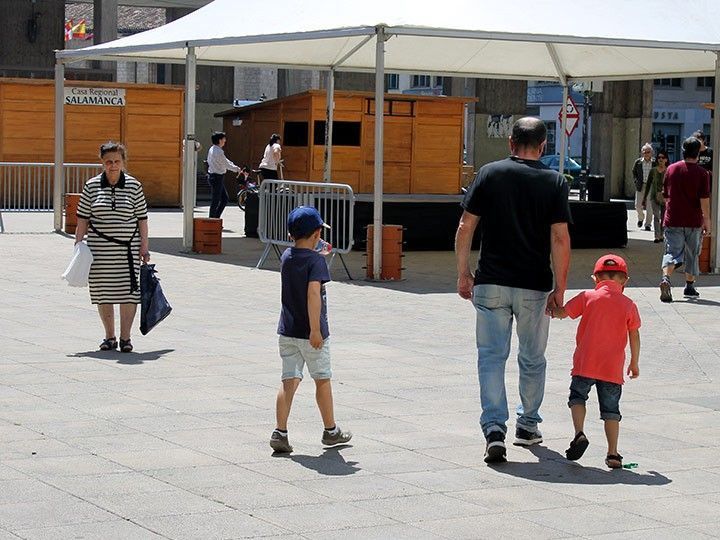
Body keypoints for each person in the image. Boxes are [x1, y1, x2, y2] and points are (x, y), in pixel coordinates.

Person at [455, 117, 572, 464]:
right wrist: (560, 289)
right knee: (532, 358)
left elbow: (465, 225)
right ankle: (527, 424)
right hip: (534, 285)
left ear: (510, 142)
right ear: (544, 146)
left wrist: (463, 272)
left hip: (490, 280)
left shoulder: (490, 173)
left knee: (491, 357)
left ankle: (494, 429)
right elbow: (560, 238)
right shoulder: (554, 181)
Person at [270, 206, 352, 453]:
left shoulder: (286, 257)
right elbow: (313, 293)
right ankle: (331, 430)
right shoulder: (316, 262)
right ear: (318, 233)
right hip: (312, 334)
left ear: (290, 234)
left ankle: (280, 431)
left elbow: (299, 255)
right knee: (322, 379)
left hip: (288, 331)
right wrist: (315, 330)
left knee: (289, 381)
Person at [549, 254, 640, 469]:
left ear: (595, 279)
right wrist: (634, 362)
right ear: (624, 281)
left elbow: (564, 313)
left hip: (585, 363)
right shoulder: (628, 304)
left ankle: (579, 433)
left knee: (578, 397)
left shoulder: (587, 296)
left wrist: (551, 311)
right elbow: (634, 335)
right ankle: (613, 454)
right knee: (611, 411)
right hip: (612, 368)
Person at [75, 142, 149, 353]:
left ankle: (126, 338)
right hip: (99, 251)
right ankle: (110, 336)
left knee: (129, 293)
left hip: (128, 250)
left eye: (117, 161)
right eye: (109, 162)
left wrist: (144, 247)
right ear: (102, 162)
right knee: (103, 293)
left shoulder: (134, 186)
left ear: (123, 162)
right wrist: (78, 245)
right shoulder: (91, 186)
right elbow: (82, 219)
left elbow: (142, 219)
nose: (113, 165)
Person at [659, 136, 711, 302]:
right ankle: (689, 286)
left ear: (683, 151)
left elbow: (666, 196)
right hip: (693, 221)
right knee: (692, 253)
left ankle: (666, 278)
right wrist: (707, 221)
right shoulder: (703, 173)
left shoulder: (671, 169)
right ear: (698, 153)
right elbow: (704, 200)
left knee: (671, 252)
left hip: (673, 218)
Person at [207, 131, 240, 219]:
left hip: (216, 176)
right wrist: (236, 169)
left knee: (224, 199)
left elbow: (226, 161)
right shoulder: (218, 151)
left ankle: (215, 218)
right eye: (224, 138)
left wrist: (235, 167)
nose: (225, 140)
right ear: (220, 140)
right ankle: (212, 219)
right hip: (216, 177)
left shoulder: (213, 149)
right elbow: (226, 164)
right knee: (216, 200)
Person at [642, 149, 669, 243]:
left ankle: (662, 235)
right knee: (656, 216)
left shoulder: (669, 170)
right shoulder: (653, 171)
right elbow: (648, 184)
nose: (660, 159)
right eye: (659, 157)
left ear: (666, 159)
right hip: (654, 196)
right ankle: (657, 236)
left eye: (663, 157)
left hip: (665, 197)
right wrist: (644, 198)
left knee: (663, 217)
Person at [631, 143, 655, 230]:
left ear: (651, 153)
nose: (646, 154)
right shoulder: (638, 162)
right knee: (637, 205)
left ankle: (648, 224)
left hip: (651, 186)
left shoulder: (655, 163)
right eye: (644, 152)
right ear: (642, 153)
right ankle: (641, 218)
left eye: (648, 152)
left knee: (650, 206)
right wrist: (636, 181)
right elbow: (634, 172)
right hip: (641, 185)